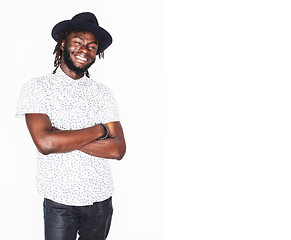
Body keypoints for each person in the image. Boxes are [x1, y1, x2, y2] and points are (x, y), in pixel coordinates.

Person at [16, 12, 126, 240]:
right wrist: (101, 130)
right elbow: (45, 143)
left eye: (92, 47)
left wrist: (62, 138)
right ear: (63, 43)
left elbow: (117, 150)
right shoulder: (38, 88)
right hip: (59, 201)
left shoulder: (103, 94)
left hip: (100, 199)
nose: (84, 50)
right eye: (78, 42)